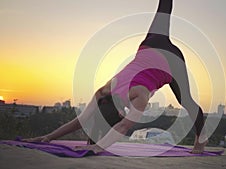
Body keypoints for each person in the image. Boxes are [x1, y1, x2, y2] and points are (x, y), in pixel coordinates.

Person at [24, 0, 208, 154]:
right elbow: (81, 121)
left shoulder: (139, 96)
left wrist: (97, 148)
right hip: (151, 45)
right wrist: (48, 137)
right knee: (164, 8)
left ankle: (201, 141)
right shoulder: (104, 91)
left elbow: (122, 127)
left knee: (187, 101)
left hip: (171, 63)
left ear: (120, 113)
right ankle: (201, 139)